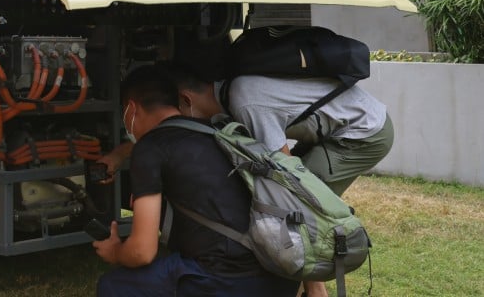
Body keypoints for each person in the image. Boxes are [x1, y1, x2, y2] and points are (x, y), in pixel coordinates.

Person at [176, 68, 394, 297]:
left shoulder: (245, 103)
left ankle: (316, 289)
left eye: (177, 112)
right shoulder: (235, 90)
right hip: (349, 124)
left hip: (364, 132)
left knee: (300, 210)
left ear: (186, 99)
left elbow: (286, 174)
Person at [94, 66, 298, 297]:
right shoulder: (218, 132)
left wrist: (116, 251)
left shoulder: (149, 148)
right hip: (279, 273)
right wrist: (119, 154)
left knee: (114, 286)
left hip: (229, 281)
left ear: (131, 109)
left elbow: (142, 251)